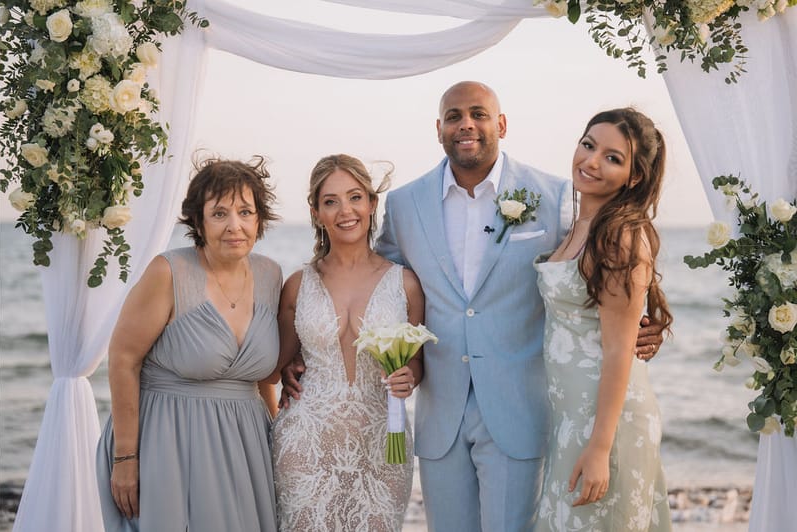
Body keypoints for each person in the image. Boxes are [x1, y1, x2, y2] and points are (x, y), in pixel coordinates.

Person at [282, 81, 663, 531]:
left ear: (500, 124)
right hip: (439, 411)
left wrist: (645, 318)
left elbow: (603, 269)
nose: (467, 124)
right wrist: (311, 348)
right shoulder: (406, 205)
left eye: (479, 114)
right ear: (439, 128)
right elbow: (373, 276)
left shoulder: (557, 196)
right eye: (454, 115)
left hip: (518, 410)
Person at [95, 157, 281, 531]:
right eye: (219, 213)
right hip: (169, 441)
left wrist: (277, 440)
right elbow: (123, 359)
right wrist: (126, 457)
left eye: (246, 212)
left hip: (246, 447)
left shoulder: (270, 275)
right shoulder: (168, 272)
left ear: (259, 219)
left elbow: (264, 381)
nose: (235, 225)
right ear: (198, 221)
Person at [534, 108, 672, 531]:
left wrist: (599, 447)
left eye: (613, 157)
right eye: (589, 145)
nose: (591, 161)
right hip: (571, 416)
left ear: (634, 176)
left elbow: (617, 350)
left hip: (605, 422)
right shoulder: (581, 225)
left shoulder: (620, 236)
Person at [270, 154, 425, 531]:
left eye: (355, 197)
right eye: (331, 201)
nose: (345, 211)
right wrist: (283, 373)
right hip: (304, 444)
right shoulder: (297, 285)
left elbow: (418, 363)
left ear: (372, 204)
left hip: (383, 444)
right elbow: (275, 367)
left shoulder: (405, 283)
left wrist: (410, 376)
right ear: (316, 212)